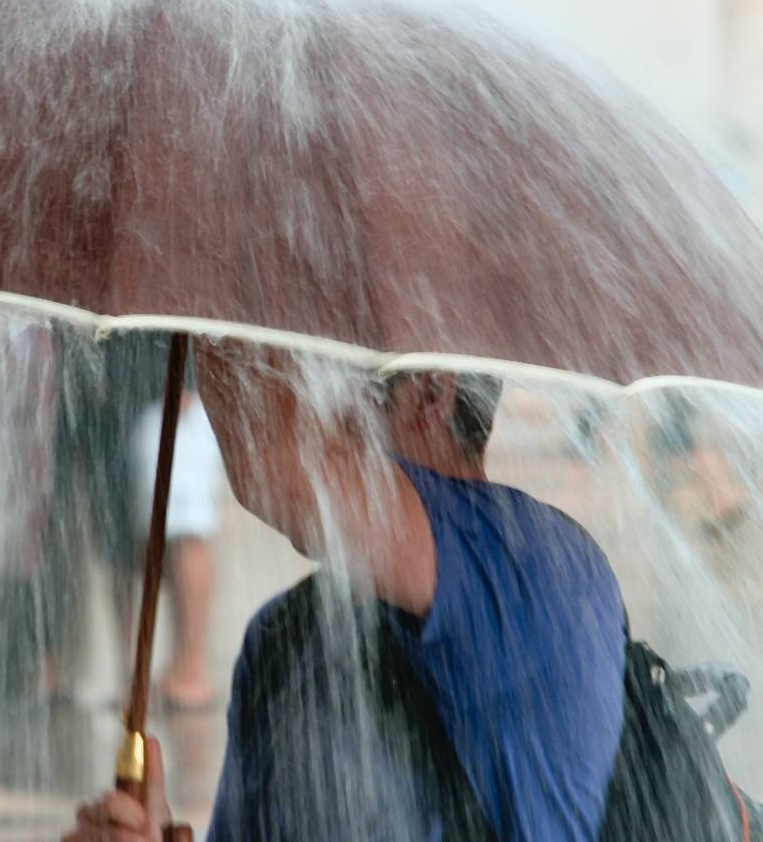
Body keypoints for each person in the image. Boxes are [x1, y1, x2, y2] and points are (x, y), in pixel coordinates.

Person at [66, 343, 630, 841]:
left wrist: (205, 287)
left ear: (430, 392)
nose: (298, 396)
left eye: (318, 372)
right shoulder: (284, 634)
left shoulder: (539, 564)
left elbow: (270, 459)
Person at [126, 380, 225, 712]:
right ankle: (181, 667)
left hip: (176, 392)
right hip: (141, 394)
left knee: (186, 529)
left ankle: (192, 671)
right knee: (163, 535)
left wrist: (187, 377)